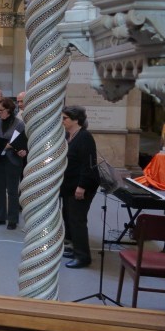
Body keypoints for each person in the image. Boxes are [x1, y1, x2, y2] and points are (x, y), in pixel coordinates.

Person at [61, 106, 100, 269]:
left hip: (82, 185)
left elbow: (88, 164)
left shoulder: (84, 137)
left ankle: (83, 257)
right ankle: (74, 248)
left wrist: (82, 186)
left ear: (76, 120)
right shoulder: (68, 135)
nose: (62, 121)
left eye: (65, 118)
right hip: (69, 185)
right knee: (69, 217)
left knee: (77, 220)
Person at [0, 98, 27, 230]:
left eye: (1, 110)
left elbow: (23, 142)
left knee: (12, 191)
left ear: (9, 109)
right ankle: (0, 217)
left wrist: (12, 146)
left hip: (13, 160)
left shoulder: (19, 124)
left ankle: (13, 219)